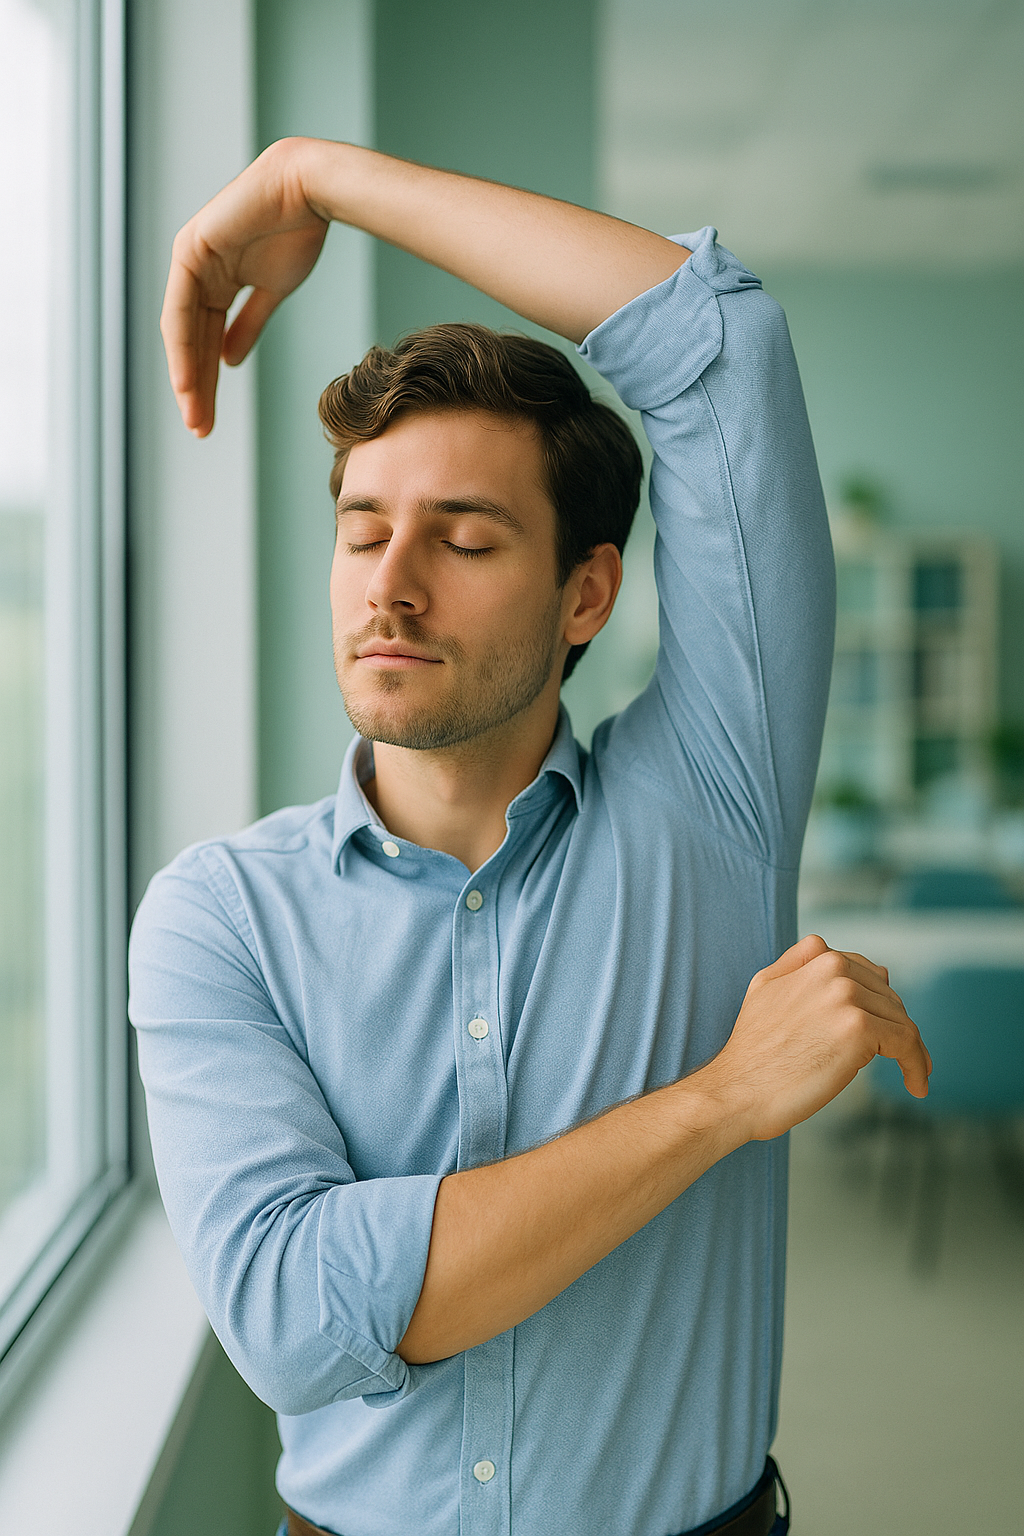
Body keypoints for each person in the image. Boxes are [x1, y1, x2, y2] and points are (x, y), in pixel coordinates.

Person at [131, 137, 930, 1536]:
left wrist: (316, 181)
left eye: (468, 538)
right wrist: (721, 1100)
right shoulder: (218, 919)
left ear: (586, 594)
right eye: (363, 529)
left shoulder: (713, 806)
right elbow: (301, 1320)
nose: (393, 584)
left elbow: (720, 343)